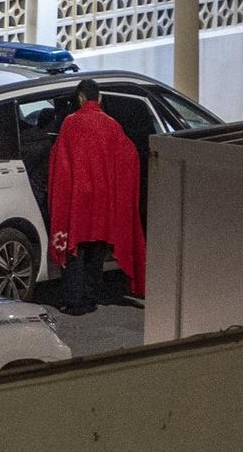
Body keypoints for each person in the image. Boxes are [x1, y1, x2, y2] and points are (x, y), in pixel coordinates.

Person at [47, 79, 146, 315]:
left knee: (75, 252)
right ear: (98, 99)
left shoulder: (70, 124)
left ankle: (75, 301)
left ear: (80, 98)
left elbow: (59, 161)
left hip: (77, 199)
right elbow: (130, 157)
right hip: (103, 199)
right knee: (96, 251)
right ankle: (92, 296)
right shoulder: (111, 125)